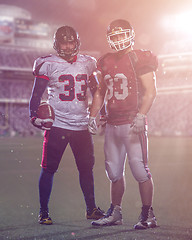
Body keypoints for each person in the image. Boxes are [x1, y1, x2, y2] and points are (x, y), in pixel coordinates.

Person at [29, 25, 105, 225]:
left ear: (77, 42)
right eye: (64, 42)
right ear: (57, 44)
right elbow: (36, 94)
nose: (68, 46)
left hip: (81, 125)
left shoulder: (88, 63)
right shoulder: (48, 63)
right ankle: (43, 212)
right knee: (49, 169)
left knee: (86, 169)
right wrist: (32, 115)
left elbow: (97, 92)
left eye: (71, 41)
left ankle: (91, 209)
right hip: (58, 125)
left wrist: (101, 114)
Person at [88, 19, 158, 229]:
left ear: (130, 35)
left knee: (139, 170)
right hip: (112, 124)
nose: (119, 40)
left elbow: (151, 90)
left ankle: (148, 215)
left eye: (122, 35)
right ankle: (115, 212)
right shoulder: (105, 61)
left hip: (132, 123)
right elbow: (100, 92)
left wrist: (141, 115)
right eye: (115, 36)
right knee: (114, 171)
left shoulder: (140, 57)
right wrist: (92, 116)